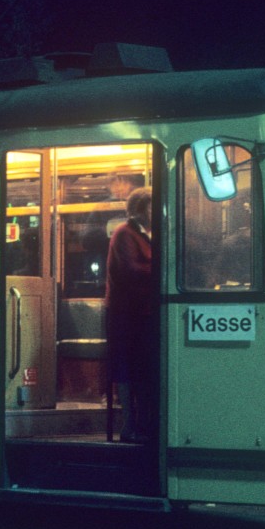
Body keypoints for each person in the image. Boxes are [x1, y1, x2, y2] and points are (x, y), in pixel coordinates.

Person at [105, 186, 155, 443]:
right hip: (126, 314)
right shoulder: (125, 234)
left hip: (144, 313)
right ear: (139, 209)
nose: (155, 210)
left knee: (144, 369)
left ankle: (143, 423)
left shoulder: (148, 235)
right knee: (127, 368)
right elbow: (131, 270)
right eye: (150, 206)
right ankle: (130, 424)